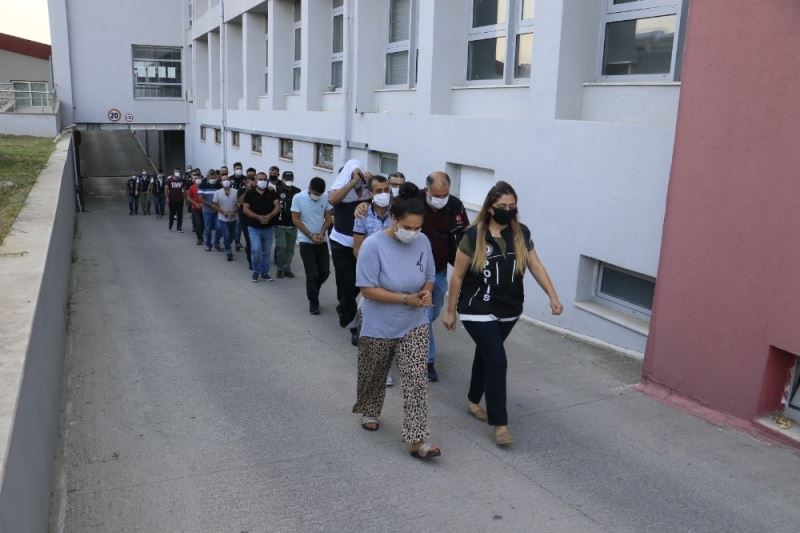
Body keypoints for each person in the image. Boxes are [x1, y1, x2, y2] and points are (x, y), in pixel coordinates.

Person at [442, 181, 563, 446]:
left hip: (509, 308)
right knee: (497, 361)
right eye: (502, 206)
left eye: (512, 206)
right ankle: (500, 424)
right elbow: (458, 275)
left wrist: (552, 296)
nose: (507, 210)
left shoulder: (521, 233)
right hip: (476, 307)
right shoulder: (473, 235)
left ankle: (473, 401)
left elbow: (535, 265)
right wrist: (450, 311)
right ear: (489, 207)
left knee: (487, 353)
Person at [353, 182, 441, 460]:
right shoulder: (373, 245)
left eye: (418, 227)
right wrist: (405, 299)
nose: (413, 233)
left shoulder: (423, 242)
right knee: (375, 372)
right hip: (378, 323)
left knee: (416, 380)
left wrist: (426, 292)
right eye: (408, 227)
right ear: (394, 219)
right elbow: (367, 289)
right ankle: (370, 409)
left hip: (414, 323)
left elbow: (429, 276)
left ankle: (417, 439)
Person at [420, 171, 470, 382]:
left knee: (431, 313)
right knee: (424, 317)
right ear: (427, 190)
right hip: (416, 272)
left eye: (445, 195)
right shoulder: (415, 202)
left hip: (440, 271)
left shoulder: (455, 205)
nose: (441, 199)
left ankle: (410, 335)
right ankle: (428, 361)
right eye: (436, 195)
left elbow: (466, 233)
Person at [353, 175, 395, 386]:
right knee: (374, 324)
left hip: (393, 278)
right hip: (371, 278)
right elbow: (357, 248)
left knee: (388, 325)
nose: (383, 194)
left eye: (386, 189)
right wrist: (369, 273)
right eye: (378, 191)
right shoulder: (362, 214)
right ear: (370, 193)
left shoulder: (397, 213)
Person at [329, 160, 372, 346]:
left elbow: (383, 199)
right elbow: (333, 200)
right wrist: (351, 182)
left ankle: (344, 306)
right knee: (347, 284)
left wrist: (370, 182)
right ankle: (354, 328)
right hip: (341, 243)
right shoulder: (338, 190)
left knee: (358, 284)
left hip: (363, 244)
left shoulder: (366, 191)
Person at [291, 177, 333, 314]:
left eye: (319, 194)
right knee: (312, 274)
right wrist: (310, 235)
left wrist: (321, 233)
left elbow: (328, 218)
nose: (317, 196)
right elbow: (295, 220)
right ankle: (313, 302)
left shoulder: (325, 197)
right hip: (305, 241)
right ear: (309, 188)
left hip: (321, 240)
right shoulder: (298, 198)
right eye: (315, 193)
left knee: (325, 272)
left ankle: (313, 290)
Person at [243, 172, 281, 282]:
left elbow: (277, 206)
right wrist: (258, 217)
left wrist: (269, 216)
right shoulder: (250, 193)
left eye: (264, 179)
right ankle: (256, 271)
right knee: (255, 250)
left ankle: (264, 273)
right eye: (260, 179)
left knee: (266, 252)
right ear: (256, 180)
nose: (262, 181)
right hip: (254, 228)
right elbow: (245, 209)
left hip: (268, 228)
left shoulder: (271, 192)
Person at [274, 170, 301, 278]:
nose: (289, 181)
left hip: (293, 224)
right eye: (286, 179)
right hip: (279, 223)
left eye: (290, 179)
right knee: (282, 247)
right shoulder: (277, 190)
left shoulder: (297, 191)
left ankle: (287, 268)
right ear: (282, 179)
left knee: (290, 249)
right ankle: (280, 268)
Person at [213, 176, 239, 261]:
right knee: (226, 235)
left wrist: (234, 211)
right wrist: (223, 212)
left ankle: (226, 243)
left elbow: (239, 204)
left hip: (233, 218)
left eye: (228, 179)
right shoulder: (217, 192)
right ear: (221, 182)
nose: (226, 181)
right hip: (223, 218)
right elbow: (214, 205)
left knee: (232, 235)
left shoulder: (236, 192)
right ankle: (228, 251)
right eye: (224, 180)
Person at [238, 169, 256, 269]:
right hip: (245, 220)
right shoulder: (242, 190)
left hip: (256, 220)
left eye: (253, 181)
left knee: (256, 242)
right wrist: (247, 190)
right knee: (249, 241)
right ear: (246, 183)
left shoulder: (259, 190)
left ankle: (256, 257)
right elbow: (240, 201)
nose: (252, 183)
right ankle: (251, 261)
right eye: (249, 181)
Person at [199, 171, 221, 251]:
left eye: (214, 178)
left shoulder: (219, 185)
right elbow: (200, 198)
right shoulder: (203, 185)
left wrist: (217, 206)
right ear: (208, 177)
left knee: (219, 228)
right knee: (208, 229)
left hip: (217, 211)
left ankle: (217, 243)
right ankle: (208, 245)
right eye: (211, 178)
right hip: (207, 211)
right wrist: (211, 205)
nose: (213, 179)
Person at [186, 170, 205, 245]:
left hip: (204, 208)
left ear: (201, 178)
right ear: (194, 179)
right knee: (198, 223)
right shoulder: (192, 187)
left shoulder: (205, 186)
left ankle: (201, 234)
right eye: (196, 178)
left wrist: (204, 204)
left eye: (199, 178)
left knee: (203, 224)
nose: (198, 179)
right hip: (195, 209)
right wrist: (195, 203)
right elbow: (188, 197)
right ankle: (199, 238)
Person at [165, 167, 185, 232]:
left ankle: (179, 227)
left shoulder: (182, 180)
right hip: (172, 199)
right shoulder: (169, 180)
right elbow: (166, 189)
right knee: (172, 213)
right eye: (176, 171)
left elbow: (183, 189)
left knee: (180, 214)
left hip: (180, 199)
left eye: (178, 171)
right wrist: (167, 198)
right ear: (173, 172)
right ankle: (170, 224)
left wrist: (184, 197)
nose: (177, 172)